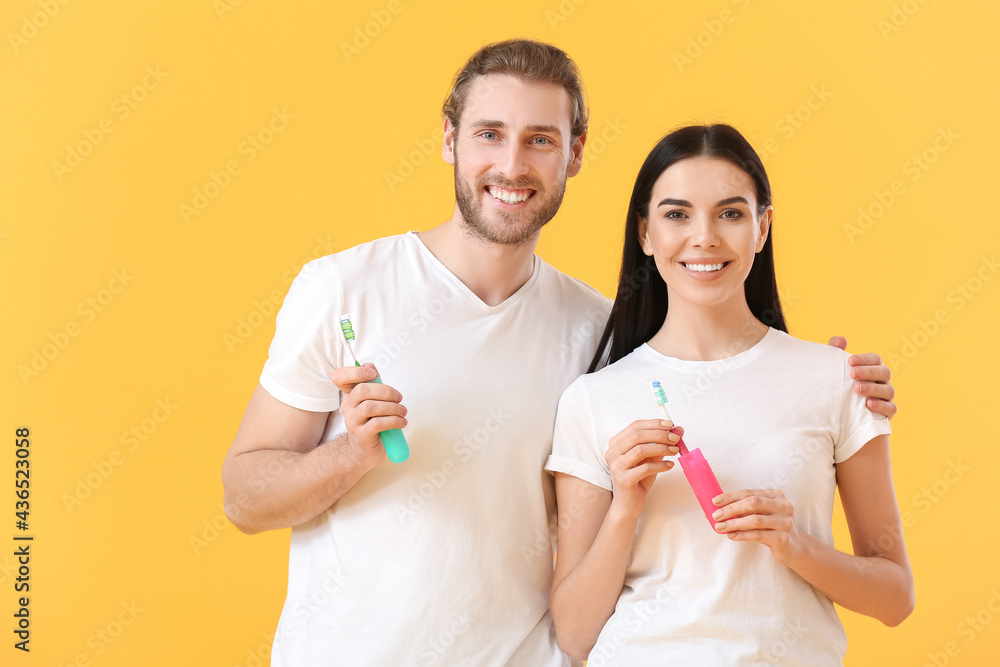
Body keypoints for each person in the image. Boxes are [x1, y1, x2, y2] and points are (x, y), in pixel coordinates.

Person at [220, 41, 898, 665]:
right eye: (490, 134)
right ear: (451, 141)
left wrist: (828, 381)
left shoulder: (597, 330)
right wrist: (351, 454)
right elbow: (244, 497)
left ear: (573, 155)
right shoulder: (344, 287)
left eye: (540, 140)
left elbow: (712, 369)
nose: (512, 165)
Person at [546, 124, 914, 666]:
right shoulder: (592, 400)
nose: (705, 237)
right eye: (676, 215)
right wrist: (626, 505)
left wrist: (794, 545)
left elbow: (894, 597)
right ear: (645, 234)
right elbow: (576, 636)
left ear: (762, 228)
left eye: (731, 213)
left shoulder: (837, 380)